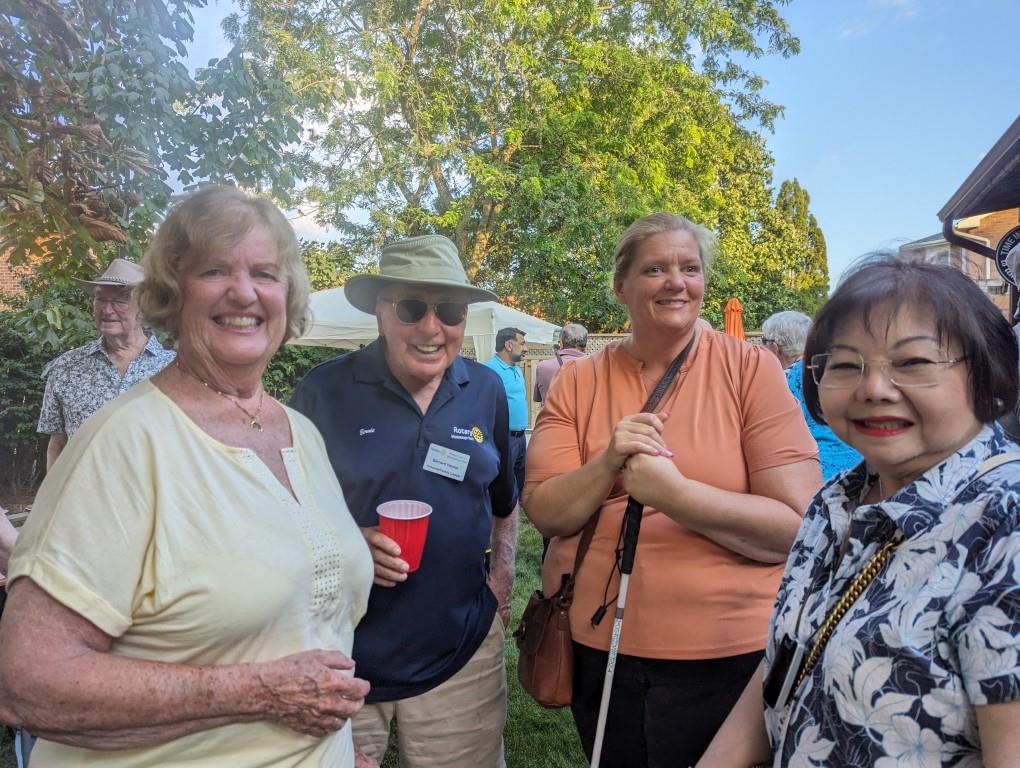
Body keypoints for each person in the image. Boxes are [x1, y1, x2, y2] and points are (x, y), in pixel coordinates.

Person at [0, 186, 375, 768]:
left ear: (288, 296)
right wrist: (257, 692)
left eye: (265, 273)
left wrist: (336, 750)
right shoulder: (124, 442)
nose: (244, 292)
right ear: (173, 294)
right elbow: (27, 680)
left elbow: (308, 624)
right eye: (214, 270)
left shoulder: (300, 432)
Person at [523, 212, 821, 767]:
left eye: (690, 268)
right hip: (598, 648)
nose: (676, 282)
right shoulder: (578, 380)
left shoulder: (750, 370)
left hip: (731, 657)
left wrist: (674, 494)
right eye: (655, 269)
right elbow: (545, 510)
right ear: (622, 287)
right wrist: (608, 464)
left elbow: (799, 525)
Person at [699, 255, 1020, 767]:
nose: (873, 389)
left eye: (913, 362)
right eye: (846, 365)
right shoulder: (837, 500)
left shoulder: (1005, 523)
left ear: (987, 375)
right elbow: (791, 661)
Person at [289, 235, 518, 768]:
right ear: (381, 313)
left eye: (450, 311)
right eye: (412, 308)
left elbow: (505, 500)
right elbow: (277, 511)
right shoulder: (324, 391)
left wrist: (502, 578)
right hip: (340, 652)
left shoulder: (485, 390)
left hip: (461, 652)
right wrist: (347, 542)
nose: (432, 328)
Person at [37, 258, 176, 470]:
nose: (107, 310)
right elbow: (57, 444)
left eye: (120, 301)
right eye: (100, 299)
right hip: (83, 491)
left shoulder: (175, 369)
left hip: (152, 492)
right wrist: (53, 490)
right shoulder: (67, 367)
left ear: (144, 308)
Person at [762, 310, 862, 479]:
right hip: (861, 466)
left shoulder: (780, 381)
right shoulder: (839, 370)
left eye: (764, 341)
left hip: (815, 473)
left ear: (775, 347)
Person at [485, 326, 529, 495]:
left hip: (520, 437)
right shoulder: (490, 370)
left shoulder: (517, 369)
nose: (526, 348)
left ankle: (515, 509)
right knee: (501, 487)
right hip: (503, 439)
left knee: (518, 484)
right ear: (509, 345)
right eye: (522, 343)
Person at [534, 322, 587, 405]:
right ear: (585, 345)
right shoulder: (596, 367)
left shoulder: (543, 366)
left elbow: (537, 398)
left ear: (561, 343)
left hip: (551, 413)